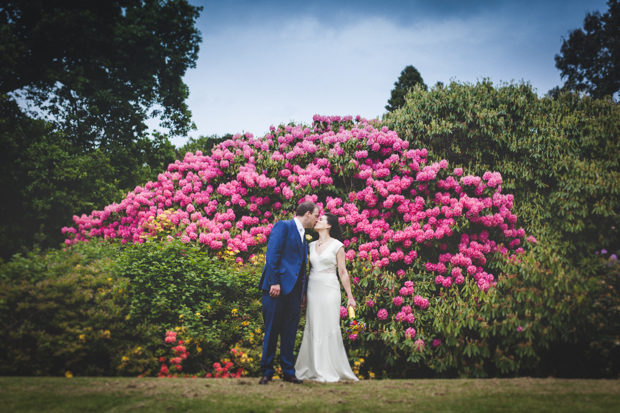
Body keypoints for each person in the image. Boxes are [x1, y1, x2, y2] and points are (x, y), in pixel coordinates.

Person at [257, 201, 319, 385]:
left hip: (294, 293)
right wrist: (274, 282)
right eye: (315, 215)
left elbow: (300, 269)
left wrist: (302, 294)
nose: (316, 219)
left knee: (289, 333)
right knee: (271, 331)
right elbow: (272, 255)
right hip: (276, 290)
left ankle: (288, 371)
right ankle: (267, 372)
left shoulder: (303, 236)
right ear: (307, 213)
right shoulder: (283, 226)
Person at [295, 212, 358, 382]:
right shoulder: (309, 245)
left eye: (321, 219)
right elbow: (304, 271)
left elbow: (343, 272)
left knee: (329, 326)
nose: (317, 220)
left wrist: (350, 296)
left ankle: (330, 369)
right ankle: (311, 368)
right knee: (313, 325)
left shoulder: (338, 245)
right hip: (313, 288)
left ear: (329, 225)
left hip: (330, 288)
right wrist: (303, 294)